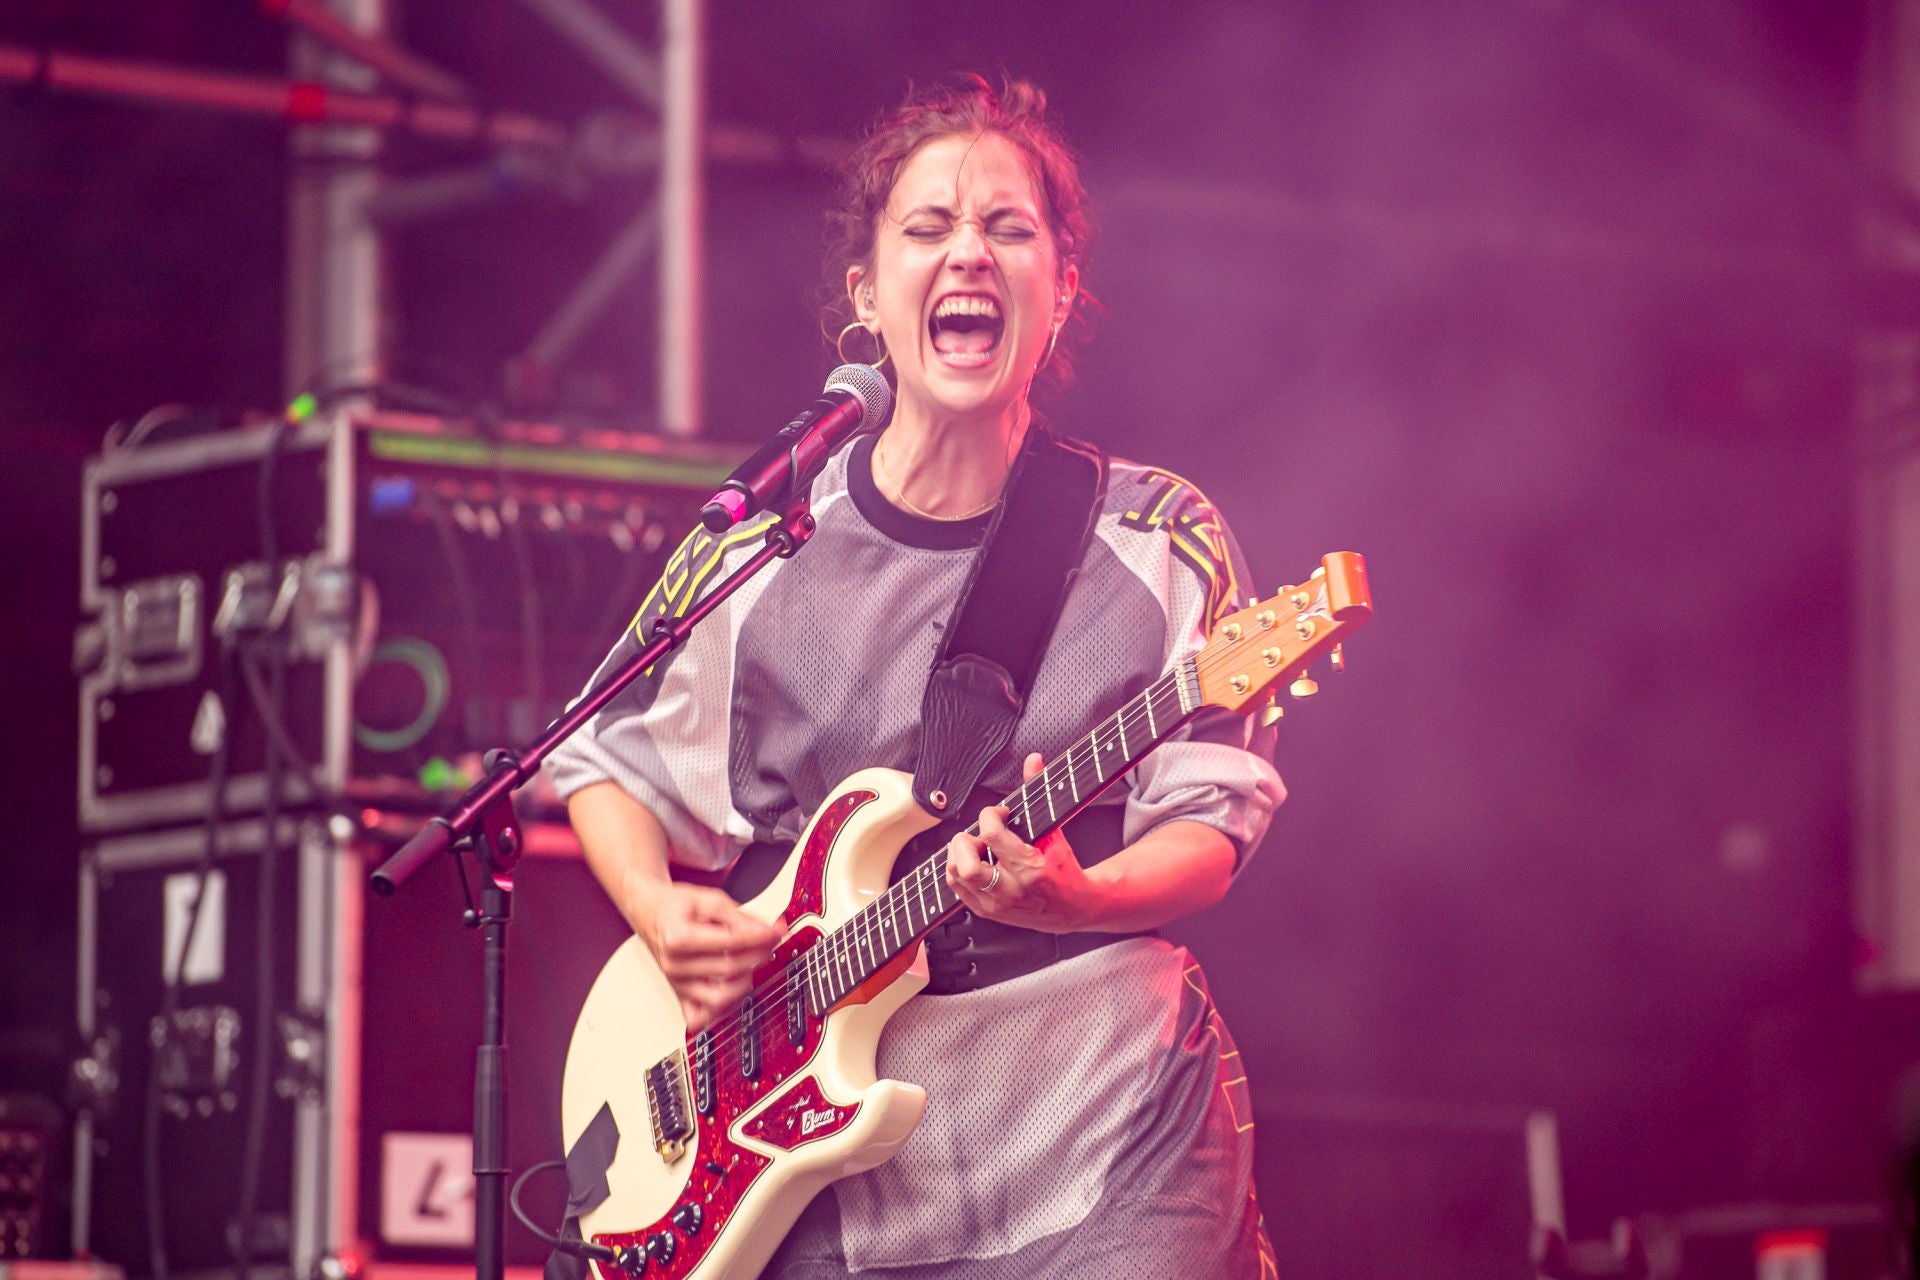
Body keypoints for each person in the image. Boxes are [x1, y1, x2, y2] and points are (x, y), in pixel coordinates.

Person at [546, 74, 1283, 1280]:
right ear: (867, 297)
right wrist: (656, 907)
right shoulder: (765, 544)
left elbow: (1213, 819)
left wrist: (1080, 898)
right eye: (928, 229)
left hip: (1103, 1118)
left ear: (1061, 291)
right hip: (820, 1153)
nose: (969, 256)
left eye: (1009, 229)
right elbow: (605, 754)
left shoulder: (1157, 535)